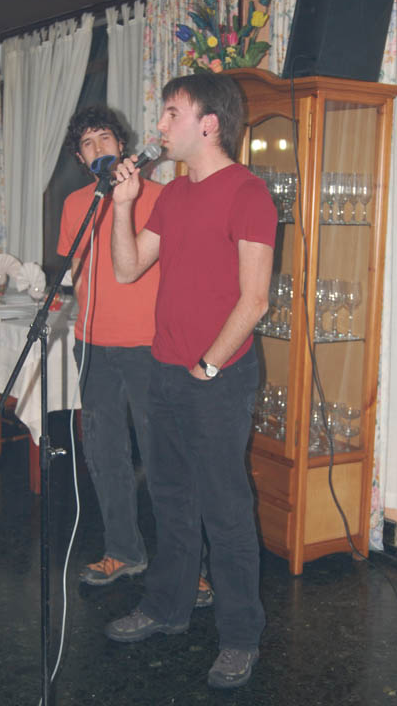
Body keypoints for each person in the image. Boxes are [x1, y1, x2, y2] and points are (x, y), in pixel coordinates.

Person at [105, 74, 277, 690]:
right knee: (171, 499)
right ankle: (167, 607)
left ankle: (240, 637)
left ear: (209, 123)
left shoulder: (249, 194)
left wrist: (207, 364)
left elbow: (254, 300)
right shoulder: (174, 195)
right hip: (165, 369)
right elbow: (128, 268)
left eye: (171, 113)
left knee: (225, 511)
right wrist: (123, 205)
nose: (159, 125)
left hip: (217, 377)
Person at [57, 106, 213, 608]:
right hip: (93, 346)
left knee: (167, 459)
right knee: (105, 456)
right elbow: (77, 271)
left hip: (151, 347)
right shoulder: (75, 205)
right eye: (87, 143)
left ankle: (190, 567)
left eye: (105, 137)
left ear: (122, 145)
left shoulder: (162, 197)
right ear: (81, 159)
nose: (98, 148)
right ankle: (123, 551)